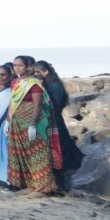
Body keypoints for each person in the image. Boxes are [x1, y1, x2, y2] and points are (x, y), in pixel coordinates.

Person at [7, 56, 59, 198]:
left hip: (33, 122)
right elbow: (11, 101)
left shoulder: (33, 84)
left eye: (20, 65)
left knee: (38, 153)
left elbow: (37, 106)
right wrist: (8, 120)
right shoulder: (15, 82)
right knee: (23, 153)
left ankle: (44, 188)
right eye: (15, 65)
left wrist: (32, 125)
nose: (17, 68)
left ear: (28, 66)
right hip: (17, 122)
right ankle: (31, 185)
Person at [34, 60, 83, 191]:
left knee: (61, 150)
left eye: (38, 72)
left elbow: (54, 106)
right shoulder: (47, 84)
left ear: (46, 72)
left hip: (55, 121)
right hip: (50, 121)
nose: (36, 74)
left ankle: (63, 185)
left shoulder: (55, 86)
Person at [0, 63, 14, 190]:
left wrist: (7, 121)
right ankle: (1, 178)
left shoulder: (13, 90)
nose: (0, 77)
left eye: (3, 75)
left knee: (7, 151)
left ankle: (9, 180)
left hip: (6, 124)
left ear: (10, 75)